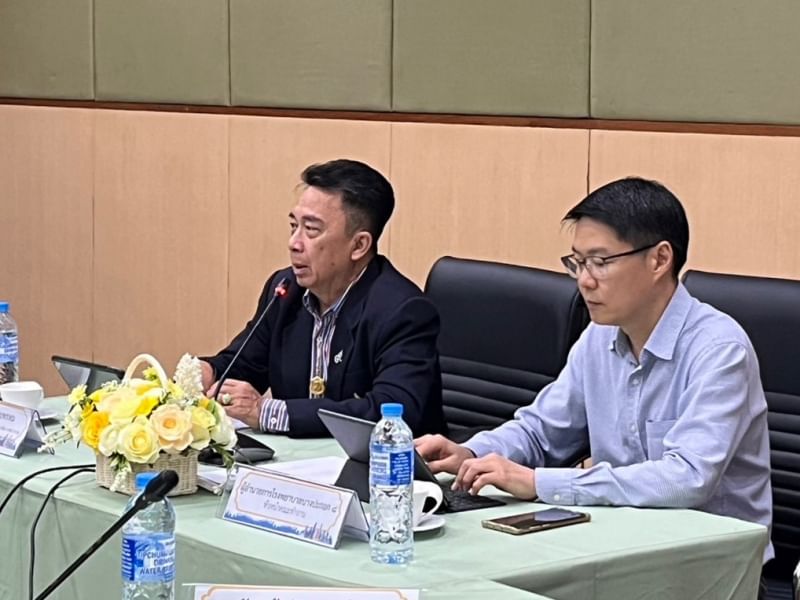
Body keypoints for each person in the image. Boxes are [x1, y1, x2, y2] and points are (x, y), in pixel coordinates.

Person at [416, 177, 773, 559]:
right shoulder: (599, 337)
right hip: (618, 546)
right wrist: (471, 454)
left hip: (712, 563)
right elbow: (541, 432)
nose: (584, 281)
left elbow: (687, 478)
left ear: (659, 259)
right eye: (578, 263)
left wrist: (540, 483)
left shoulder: (718, 350)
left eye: (600, 263)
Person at [201, 159, 446, 438]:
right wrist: (208, 372)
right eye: (293, 226)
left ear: (359, 245)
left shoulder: (402, 310)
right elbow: (243, 365)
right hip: (299, 459)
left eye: (311, 230)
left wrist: (269, 412)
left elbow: (391, 411)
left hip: (383, 463)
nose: (294, 243)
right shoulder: (285, 291)